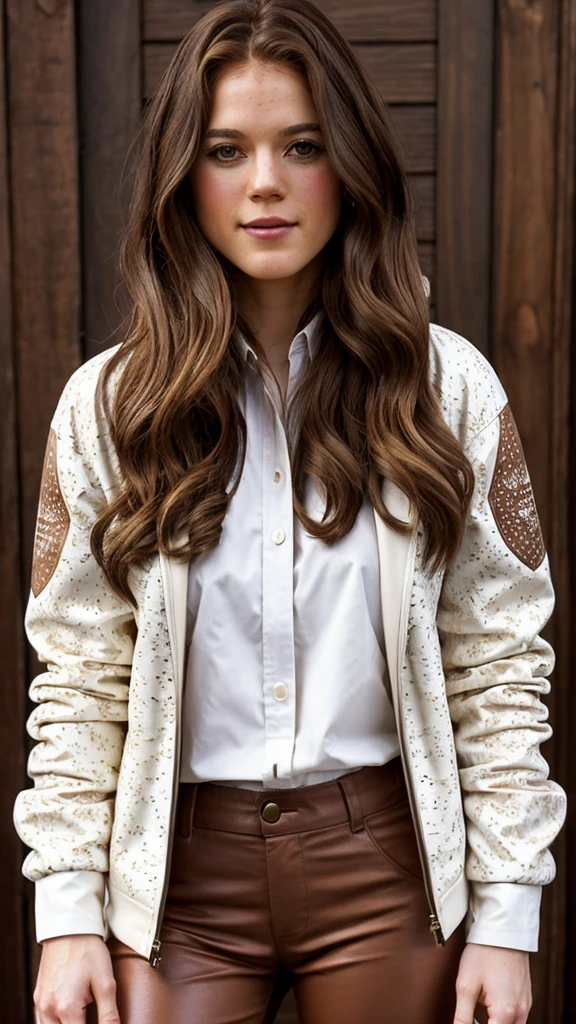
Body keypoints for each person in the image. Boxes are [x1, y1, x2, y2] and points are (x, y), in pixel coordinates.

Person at [13, 1, 567, 1022]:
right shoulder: (108, 406)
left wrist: (505, 918)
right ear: (186, 176)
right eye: (227, 149)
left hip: (384, 866)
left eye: (301, 145)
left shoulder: (450, 392)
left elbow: (498, 660)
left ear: (349, 164)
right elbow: (80, 672)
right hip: (176, 881)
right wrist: (66, 912)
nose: (264, 182)